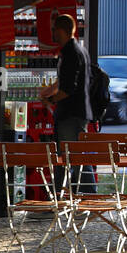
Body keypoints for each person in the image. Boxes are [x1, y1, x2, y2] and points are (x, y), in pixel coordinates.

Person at [37, 13, 93, 193]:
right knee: (70, 155)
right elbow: (64, 81)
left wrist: (50, 99)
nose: (52, 33)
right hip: (76, 112)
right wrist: (48, 91)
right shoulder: (78, 50)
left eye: (54, 29)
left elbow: (68, 88)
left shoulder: (70, 53)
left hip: (71, 114)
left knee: (72, 156)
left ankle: (85, 194)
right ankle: (60, 194)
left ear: (61, 30)